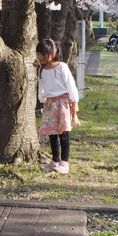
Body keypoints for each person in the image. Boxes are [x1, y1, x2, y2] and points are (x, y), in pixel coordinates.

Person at [35, 38, 80, 174]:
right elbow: (41, 87)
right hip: (49, 103)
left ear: (52, 54)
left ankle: (64, 163)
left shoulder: (62, 67)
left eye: (43, 55)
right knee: (52, 133)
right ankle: (55, 160)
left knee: (63, 133)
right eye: (38, 55)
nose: (40, 58)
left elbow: (70, 85)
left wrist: (74, 103)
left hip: (63, 103)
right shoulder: (41, 70)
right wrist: (43, 99)